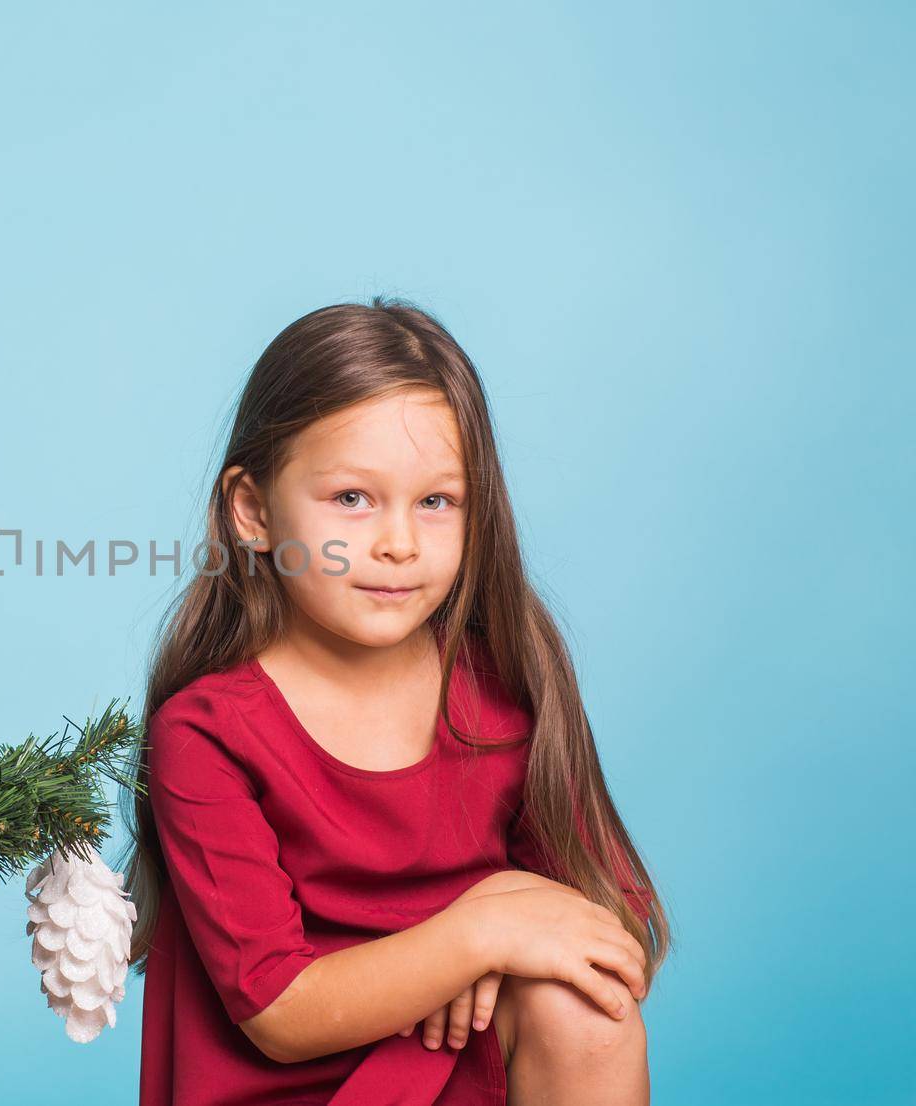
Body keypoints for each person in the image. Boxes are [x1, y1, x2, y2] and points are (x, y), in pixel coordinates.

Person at [122, 299, 670, 1105]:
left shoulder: (506, 690)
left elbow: (615, 928)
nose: (399, 544)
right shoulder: (208, 732)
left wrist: (495, 941)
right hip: (290, 1086)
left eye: (436, 502)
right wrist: (478, 933)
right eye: (352, 498)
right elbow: (278, 1010)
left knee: (587, 1006)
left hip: (461, 1075)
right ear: (252, 510)